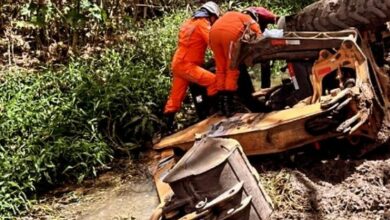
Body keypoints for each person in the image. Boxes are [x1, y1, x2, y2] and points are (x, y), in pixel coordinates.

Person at [163, 1, 221, 131]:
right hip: (187, 65)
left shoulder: (188, 23)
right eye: (214, 19)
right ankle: (214, 115)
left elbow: (192, 44)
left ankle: (166, 130)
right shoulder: (203, 24)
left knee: (175, 99)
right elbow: (213, 41)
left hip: (178, 63)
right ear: (211, 15)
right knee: (213, 81)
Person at [209, 7, 277, 117]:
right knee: (232, 68)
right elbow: (260, 38)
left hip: (212, 34)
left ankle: (222, 105)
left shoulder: (230, 15)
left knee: (221, 69)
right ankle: (228, 107)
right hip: (228, 35)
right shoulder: (248, 18)